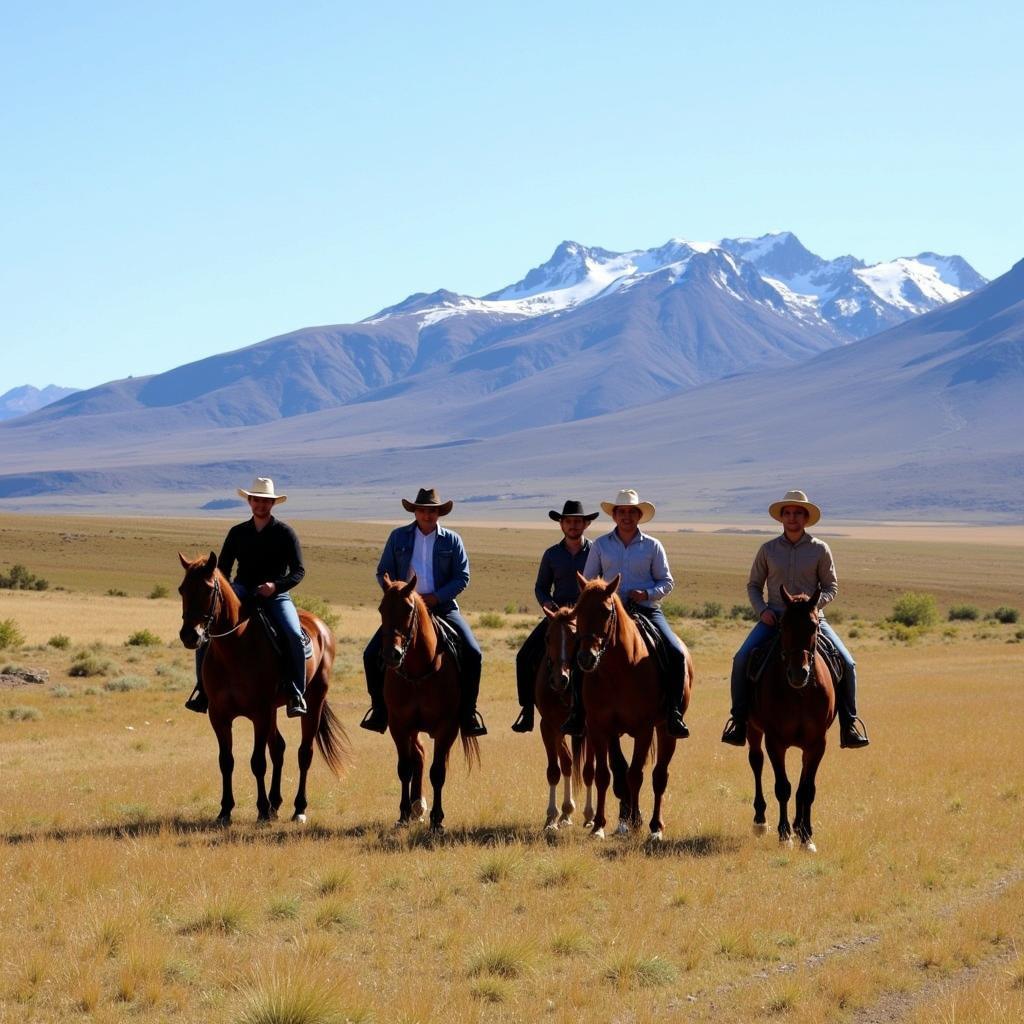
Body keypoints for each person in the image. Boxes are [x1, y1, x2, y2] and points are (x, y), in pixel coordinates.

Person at [720, 489, 870, 749]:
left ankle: (849, 724)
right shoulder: (767, 550)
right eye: (788, 513)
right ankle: (739, 721)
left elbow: (831, 586)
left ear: (805, 518)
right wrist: (762, 610)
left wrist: (811, 608)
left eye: (797, 513)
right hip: (775, 618)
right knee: (741, 658)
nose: (792, 518)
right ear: (781, 518)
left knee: (847, 662)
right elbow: (754, 585)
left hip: (812, 621)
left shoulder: (820, 549)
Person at [563, 488, 690, 739]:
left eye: (632, 512)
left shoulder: (653, 546)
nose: (627, 516)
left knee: (675, 653)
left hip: (646, 610)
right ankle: (578, 712)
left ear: (639, 515)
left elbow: (666, 581)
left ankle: (673, 712)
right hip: (606, 613)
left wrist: (648, 593)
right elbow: (589, 582)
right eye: (622, 512)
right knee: (580, 654)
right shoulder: (600, 545)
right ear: (614, 516)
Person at [360, 487, 487, 737]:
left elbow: (462, 577)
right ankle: (379, 710)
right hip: (404, 609)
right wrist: (398, 593)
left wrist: (434, 597)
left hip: (442, 607)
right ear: (415, 512)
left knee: (473, 652)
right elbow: (382, 571)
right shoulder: (398, 537)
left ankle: (468, 712)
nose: (427, 515)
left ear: (439, 513)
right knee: (370, 654)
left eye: (432, 511)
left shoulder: (452, 540)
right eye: (423, 511)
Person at [185, 477, 308, 717]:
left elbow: (298, 571)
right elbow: (222, 569)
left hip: (276, 595)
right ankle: (203, 690)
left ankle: (296, 692)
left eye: (265, 501)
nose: (260, 505)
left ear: (272, 504)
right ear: (249, 502)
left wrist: (275, 586)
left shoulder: (285, 533)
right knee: (208, 633)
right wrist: (229, 593)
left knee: (293, 634)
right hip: (241, 591)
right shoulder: (237, 532)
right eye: (256, 500)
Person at [511, 500, 598, 732]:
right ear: (561, 524)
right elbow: (540, 587)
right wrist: (546, 603)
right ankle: (527, 710)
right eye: (568, 521)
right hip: (557, 618)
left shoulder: (595, 552)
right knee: (524, 656)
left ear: (586, 524)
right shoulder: (551, 554)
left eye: (578, 521)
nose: (573, 525)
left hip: (585, 619)